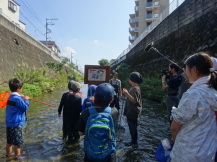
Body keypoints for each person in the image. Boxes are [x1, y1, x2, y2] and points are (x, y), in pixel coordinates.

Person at [170, 53, 217, 162]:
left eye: (186, 68)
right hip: (208, 154)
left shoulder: (193, 95)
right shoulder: (214, 91)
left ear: (194, 69)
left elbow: (174, 127)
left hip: (186, 154)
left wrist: (173, 139)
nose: (185, 71)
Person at [77, 83, 116, 162]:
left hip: (90, 155)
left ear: (94, 96)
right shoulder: (114, 112)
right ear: (111, 100)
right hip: (108, 155)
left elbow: (80, 133)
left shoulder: (86, 112)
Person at [5, 78, 30, 160]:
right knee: (17, 143)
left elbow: (16, 105)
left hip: (9, 123)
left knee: (9, 142)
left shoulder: (10, 97)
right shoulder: (18, 99)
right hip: (16, 124)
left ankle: (8, 155)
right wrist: (26, 100)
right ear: (19, 88)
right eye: (21, 87)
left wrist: (22, 98)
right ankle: (18, 156)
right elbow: (24, 108)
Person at [123, 72, 143, 147]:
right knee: (133, 126)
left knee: (132, 127)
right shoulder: (135, 87)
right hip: (133, 111)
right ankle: (134, 141)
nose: (129, 79)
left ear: (133, 80)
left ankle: (134, 142)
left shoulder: (135, 88)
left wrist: (126, 93)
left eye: (130, 78)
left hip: (133, 111)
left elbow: (134, 100)